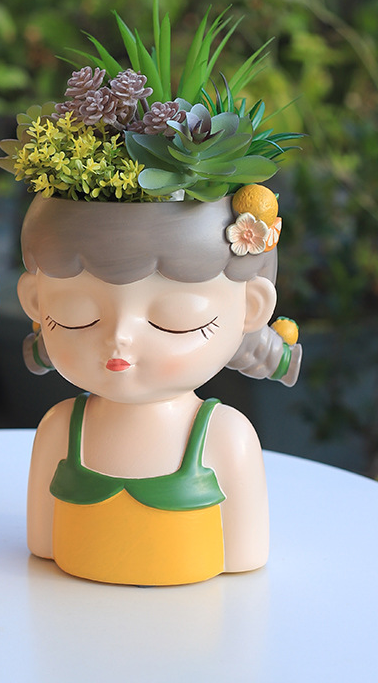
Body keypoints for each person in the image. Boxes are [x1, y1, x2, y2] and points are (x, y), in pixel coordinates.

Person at [16, 195, 301, 586]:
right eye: (77, 315)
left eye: (175, 319)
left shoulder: (225, 435)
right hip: (67, 607)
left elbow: (244, 554)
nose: (119, 338)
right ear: (35, 301)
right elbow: (41, 543)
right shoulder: (60, 427)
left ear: (250, 308)